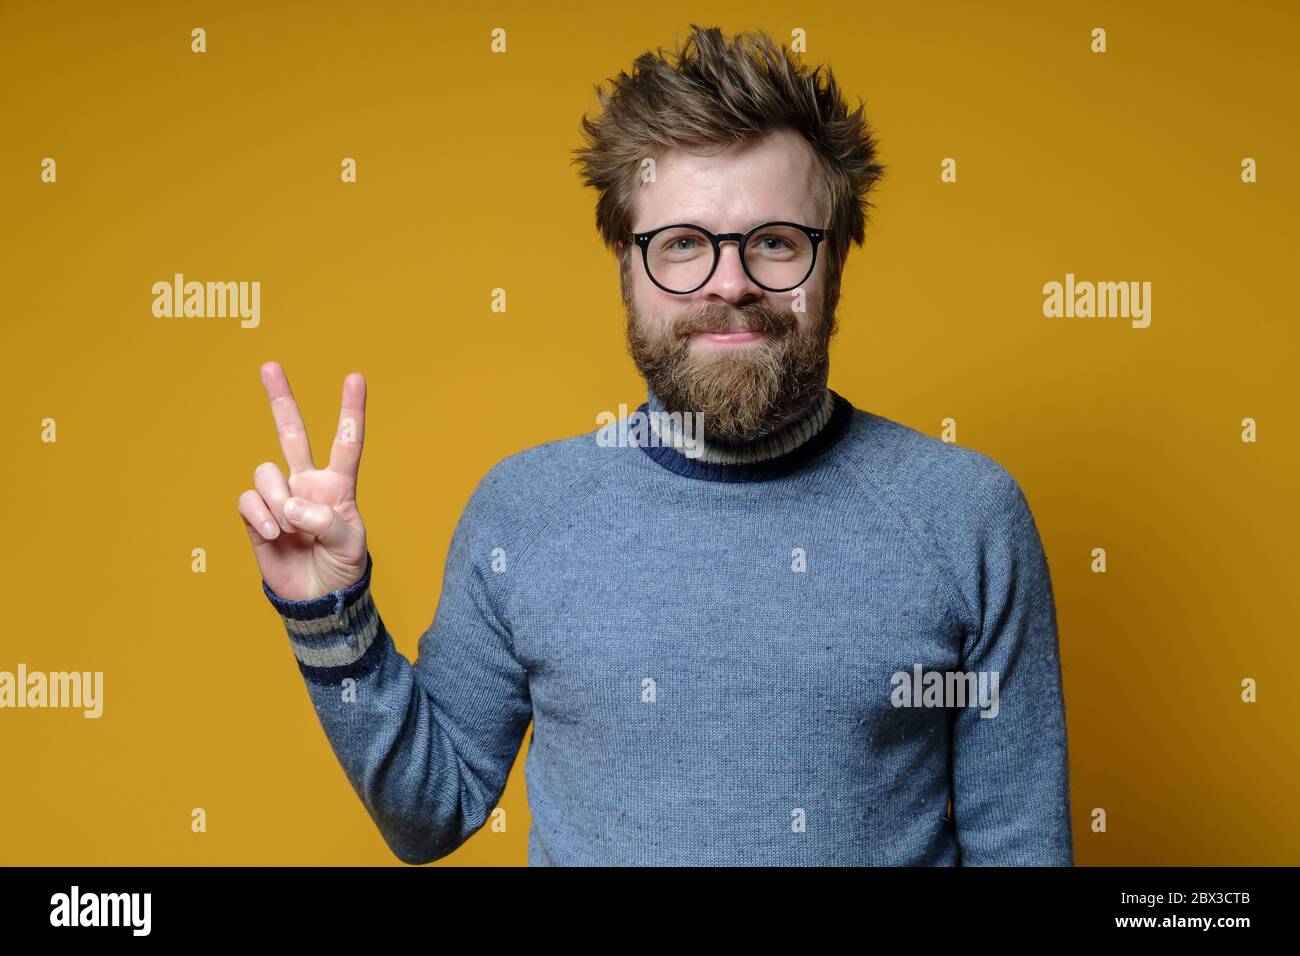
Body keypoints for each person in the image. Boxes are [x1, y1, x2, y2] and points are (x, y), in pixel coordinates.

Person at [237, 24, 1073, 866]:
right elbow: (430, 812)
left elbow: (1023, 850)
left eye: (776, 241)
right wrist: (327, 614)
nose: (731, 282)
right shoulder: (524, 512)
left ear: (837, 263)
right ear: (626, 267)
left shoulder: (966, 516)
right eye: (682, 244)